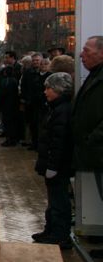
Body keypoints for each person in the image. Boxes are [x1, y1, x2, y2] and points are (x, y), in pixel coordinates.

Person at [33, 72, 74, 250]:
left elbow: (59, 142)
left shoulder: (62, 110)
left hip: (58, 165)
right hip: (54, 163)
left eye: (48, 88)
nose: (45, 91)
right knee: (53, 199)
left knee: (59, 200)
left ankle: (59, 235)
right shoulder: (56, 108)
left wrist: (53, 166)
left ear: (58, 89)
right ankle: (51, 230)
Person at [72, 35, 103, 185]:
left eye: (86, 50)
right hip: (95, 154)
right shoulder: (95, 75)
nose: (81, 54)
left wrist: (91, 140)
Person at [0, 51, 22, 147]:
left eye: (7, 57)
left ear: (13, 58)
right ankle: (8, 135)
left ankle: (12, 138)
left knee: (11, 121)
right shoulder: (5, 69)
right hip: (8, 101)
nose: (6, 59)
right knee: (7, 120)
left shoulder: (18, 69)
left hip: (11, 101)